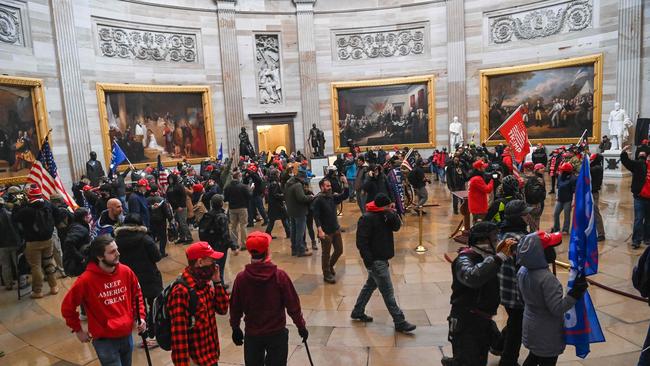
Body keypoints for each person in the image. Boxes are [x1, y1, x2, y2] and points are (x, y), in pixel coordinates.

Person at [61, 235, 146, 366]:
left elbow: (137, 294)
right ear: (100, 256)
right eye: (112, 252)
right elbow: (67, 307)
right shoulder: (85, 280)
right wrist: (78, 330)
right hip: (105, 341)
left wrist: (140, 317)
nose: (118, 254)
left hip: (127, 334)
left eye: (116, 249)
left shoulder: (126, 271)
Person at [229, 231, 308, 365]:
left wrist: (235, 328)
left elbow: (235, 307)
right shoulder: (280, 276)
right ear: (267, 250)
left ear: (250, 252)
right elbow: (293, 305)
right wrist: (301, 326)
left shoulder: (241, 278)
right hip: (276, 333)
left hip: (253, 334)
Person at [442, 221, 513, 366]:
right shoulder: (464, 259)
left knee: (478, 358)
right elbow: (472, 277)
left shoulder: (485, 257)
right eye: (494, 239)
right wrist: (499, 257)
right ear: (482, 241)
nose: (497, 242)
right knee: (470, 359)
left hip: (482, 320)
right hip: (466, 321)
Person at [517, 231, 588, 366]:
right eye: (550, 248)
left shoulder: (522, 271)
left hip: (530, 325)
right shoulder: (547, 279)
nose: (553, 251)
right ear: (540, 253)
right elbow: (557, 308)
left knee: (533, 357)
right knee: (547, 361)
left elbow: (521, 297)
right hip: (547, 332)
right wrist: (575, 294)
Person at [351, 193, 417, 333]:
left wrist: (392, 214)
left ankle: (357, 311)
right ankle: (399, 321)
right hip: (376, 260)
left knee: (370, 285)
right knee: (388, 292)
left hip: (382, 258)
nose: (391, 207)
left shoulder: (386, 215)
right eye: (388, 206)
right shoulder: (367, 218)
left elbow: (397, 227)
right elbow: (361, 242)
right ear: (382, 206)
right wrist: (369, 261)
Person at [168, 241, 229, 366]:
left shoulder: (204, 284)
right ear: (200, 262)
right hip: (197, 361)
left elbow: (223, 309)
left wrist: (217, 282)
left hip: (211, 356)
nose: (215, 265)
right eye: (211, 261)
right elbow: (179, 336)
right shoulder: (181, 292)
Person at [114, 213, 163, 348]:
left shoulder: (117, 241)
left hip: (130, 279)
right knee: (154, 307)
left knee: (138, 309)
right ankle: (154, 335)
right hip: (149, 277)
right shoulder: (145, 239)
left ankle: (144, 337)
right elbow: (157, 257)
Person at [493, 200, 531, 366]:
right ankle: (508, 360)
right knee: (517, 327)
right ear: (518, 218)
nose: (528, 217)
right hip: (516, 293)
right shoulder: (521, 240)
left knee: (515, 321)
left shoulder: (501, 234)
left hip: (502, 289)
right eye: (525, 214)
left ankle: (498, 344)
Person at [13, 184, 59, 298]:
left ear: (29, 196)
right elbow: (58, 213)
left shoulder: (26, 210)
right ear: (40, 194)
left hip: (32, 242)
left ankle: (38, 291)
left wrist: (17, 205)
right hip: (48, 240)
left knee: (36, 266)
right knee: (49, 263)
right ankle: (54, 287)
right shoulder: (47, 204)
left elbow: (14, 218)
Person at [312, 177, 349, 284]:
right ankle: (326, 274)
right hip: (325, 232)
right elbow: (316, 216)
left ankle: (330, 265)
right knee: (326, 254)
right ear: (321, 187)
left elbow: (344, 196)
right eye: (327, 186)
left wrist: (345, 183)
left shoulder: (332, 197)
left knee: (339, 250)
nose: (330, 187)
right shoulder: (318, 199)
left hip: (335, 229)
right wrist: (319, 230)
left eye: (330, 186)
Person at [200, 194, 239, 286]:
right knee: (219, 267)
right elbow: (225, 235)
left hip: (209, 245)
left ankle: (216, 283)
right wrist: (234, 246)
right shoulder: (222, 217)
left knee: (212, 266)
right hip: (220, 246)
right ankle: (219, 286)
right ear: (221, 203)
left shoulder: (208, 215)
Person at [621, 146, 650, 249]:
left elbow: (626, 161)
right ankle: (637, 240)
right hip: (640, 197)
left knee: (646, 220)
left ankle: (645, 238)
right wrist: (624, 152)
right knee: (639, 218)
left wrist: (624, 152)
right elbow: (627, 162)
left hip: (645, 197)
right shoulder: (638, 165)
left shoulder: (639, 164)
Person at [284, 170, 314, 257]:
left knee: (293, 231)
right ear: (301, 178)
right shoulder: (298, 185)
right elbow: (301, 198)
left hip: (291, 210)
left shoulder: (288, 183)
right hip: (299, 211)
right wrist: (310, 197)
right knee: (300, 232)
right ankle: (301, 250)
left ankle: (294, 249)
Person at [224, 170, 252, 250]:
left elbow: (225, 199)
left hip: (232, 208)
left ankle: (234, 244)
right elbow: (249, 197)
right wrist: (250, 190)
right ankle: (244, 244)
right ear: (239, 177)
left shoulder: (228, 187)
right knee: (243, 225)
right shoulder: (243, 186)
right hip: (242, 208)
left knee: (233, 226)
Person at [62, 208, 92, 278]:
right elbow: (68, 243)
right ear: (84, 217)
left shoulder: (78, 225)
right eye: (89, 215)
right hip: (76, 264)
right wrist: (81, 258)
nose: (90, 216)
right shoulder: (80, 229)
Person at [0, 197, 21, 290]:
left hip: (1, 245)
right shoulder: (11, 214)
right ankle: (21, 282)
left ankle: (8, 284)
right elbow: (19, 227)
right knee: (17, 263)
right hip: (14, 242)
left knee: (5, 265)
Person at [167, 173, 193, 244]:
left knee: (183, 223)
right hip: (174, 208)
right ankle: (182, 237)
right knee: (179, 223)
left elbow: (183, 197)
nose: (170, 180)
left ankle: (189, 238)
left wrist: (180, 206)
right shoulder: (169, 187)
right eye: (169, 179)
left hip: (181, 207)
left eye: (171, 179)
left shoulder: (179, 186)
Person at [265, 169, 291, 239]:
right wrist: (283, 195)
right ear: (276, 174)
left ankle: (267, 234)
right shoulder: (275, 183)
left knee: (272, 220)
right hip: (278, 205)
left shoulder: (272, 182)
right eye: (278, 173)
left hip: (273, 205)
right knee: (285, 218)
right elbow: (275, 194)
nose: (279, 175)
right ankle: (289, 233)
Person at [551, 163, 576, 234]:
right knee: (556, 213)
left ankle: (565, 229)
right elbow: (558, 187)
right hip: (560, 199)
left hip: (568, 200)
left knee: (567, 215)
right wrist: (557, 196)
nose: (561, 171)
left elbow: (574, 191)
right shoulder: (560, 176)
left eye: (562, 170)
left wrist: (573, 201)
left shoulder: (573, 178)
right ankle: (556, 228)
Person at [148, 184, 173, 257]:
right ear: (157, 190)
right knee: (163, 237)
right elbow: (166, 210)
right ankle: (162, 252)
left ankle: (154, 253)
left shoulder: (146, 200)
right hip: (161, 220)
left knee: (152, 237)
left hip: (151, 221)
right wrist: (170, 218)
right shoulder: (161, 199)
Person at [590, 153, 606, 241]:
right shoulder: (595, 167)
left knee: (595, 212)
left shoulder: (597, 168)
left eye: (592, 160)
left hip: (593, 193)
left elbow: (589, 170)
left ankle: (601, 233)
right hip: (590, 192)